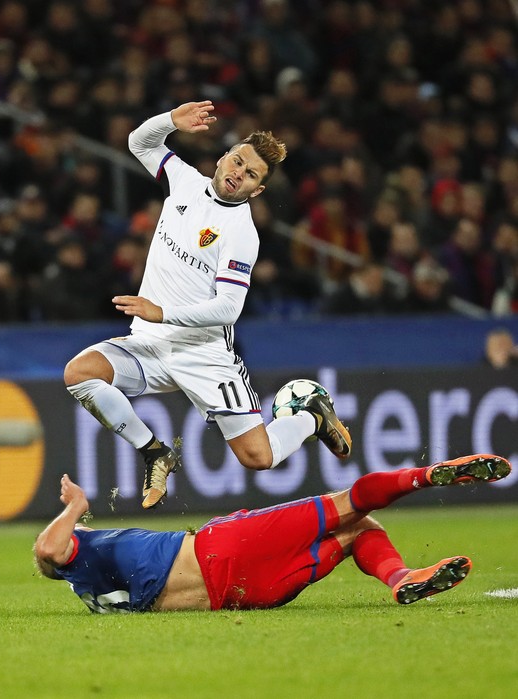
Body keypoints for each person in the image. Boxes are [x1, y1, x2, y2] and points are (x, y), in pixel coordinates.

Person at [63, 100, 351, 509]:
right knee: (80, 374)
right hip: (151, 344)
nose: (238, 174)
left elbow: (228, 309)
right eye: (237, 162)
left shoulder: (241, 233)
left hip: (204, 354)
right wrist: (169, 122)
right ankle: (154, 452)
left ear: (259, 190)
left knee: (259, 457)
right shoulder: (184, 182)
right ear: (222, 158)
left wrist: (162, 312)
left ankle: (310, 415)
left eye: (251, 174)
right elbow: (138, 142)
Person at [34, 453, 512, 613]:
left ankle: (401, 578)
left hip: (246, 595)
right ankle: (428, 476)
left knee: (356, 534)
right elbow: (48, 548)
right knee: (351, 507)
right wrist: (76, 505)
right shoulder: (83, 553)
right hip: (220, 547)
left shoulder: (95, 592)